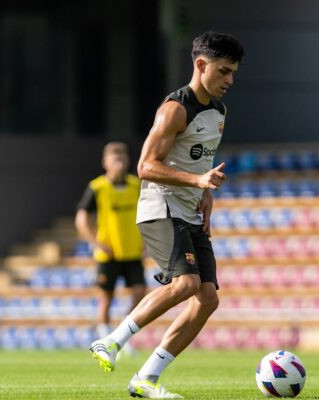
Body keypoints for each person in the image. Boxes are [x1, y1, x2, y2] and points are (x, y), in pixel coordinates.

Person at [89, 31, 244, 398]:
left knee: (207, 299)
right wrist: (197, 179)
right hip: (160, 207)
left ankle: (146, 379)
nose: (230, 81)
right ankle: (111, 341)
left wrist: (205, 192)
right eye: (223, 71)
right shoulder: (175, 108)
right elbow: (145, 165)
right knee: (186, 284)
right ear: (200, 65)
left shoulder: (219, 112)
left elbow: (200, 161)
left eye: (234, 73)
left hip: (190, 211)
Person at [76, 142, 147, 355]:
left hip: (133, 252)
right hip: (108, 254)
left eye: (122, 159)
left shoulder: (136, 185)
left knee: (139, 293)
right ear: (105, 163)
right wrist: (96, 243)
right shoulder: (97, 187)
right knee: (106, 298)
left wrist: (147, 241)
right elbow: (81, 219)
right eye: (114, 159)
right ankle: (105, 339)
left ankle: (124, 337)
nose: (119, 163)